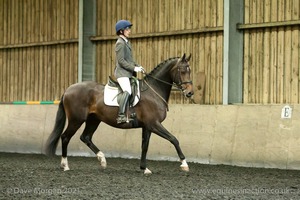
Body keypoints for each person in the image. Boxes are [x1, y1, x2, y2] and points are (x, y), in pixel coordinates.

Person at [114, 20, 144, 124]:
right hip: (122, 73)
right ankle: (121, 115)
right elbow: (121, 61)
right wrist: (134, 68)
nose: (129, 31)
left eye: (129, 29)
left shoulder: (127, 42)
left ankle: (131, 112)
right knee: (128, 90)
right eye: (127, 29)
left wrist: (137, 65)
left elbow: (129, 60)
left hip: (128, 73)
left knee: (136, 88)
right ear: (121, 31)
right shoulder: (120, 44)